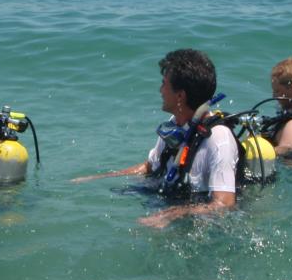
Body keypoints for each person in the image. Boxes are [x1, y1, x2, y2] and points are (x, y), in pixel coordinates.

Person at [74, 49, 240, 228]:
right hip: (172, 199)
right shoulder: (175, 124)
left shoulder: (219, 139)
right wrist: (100, 178)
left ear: (180, 96)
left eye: (164, 84)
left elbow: (224, 204)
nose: (160, 90)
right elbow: (149, 167)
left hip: (201, 222)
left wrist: (171, 215)